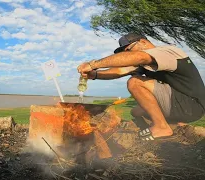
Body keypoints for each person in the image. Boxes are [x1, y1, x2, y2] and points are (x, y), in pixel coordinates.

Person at [77, 32, 205, 141]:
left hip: (192, 105)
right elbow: (120, 71)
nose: (125, 54)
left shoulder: (167, 51)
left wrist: (94, 64)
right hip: (179, 107)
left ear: (143, 42)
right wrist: (95, 74)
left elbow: (139, 57)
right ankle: (177, 125)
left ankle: (161, 127)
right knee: (136, 111)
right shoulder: (145, 64)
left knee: (135, 82)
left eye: (127, 50)